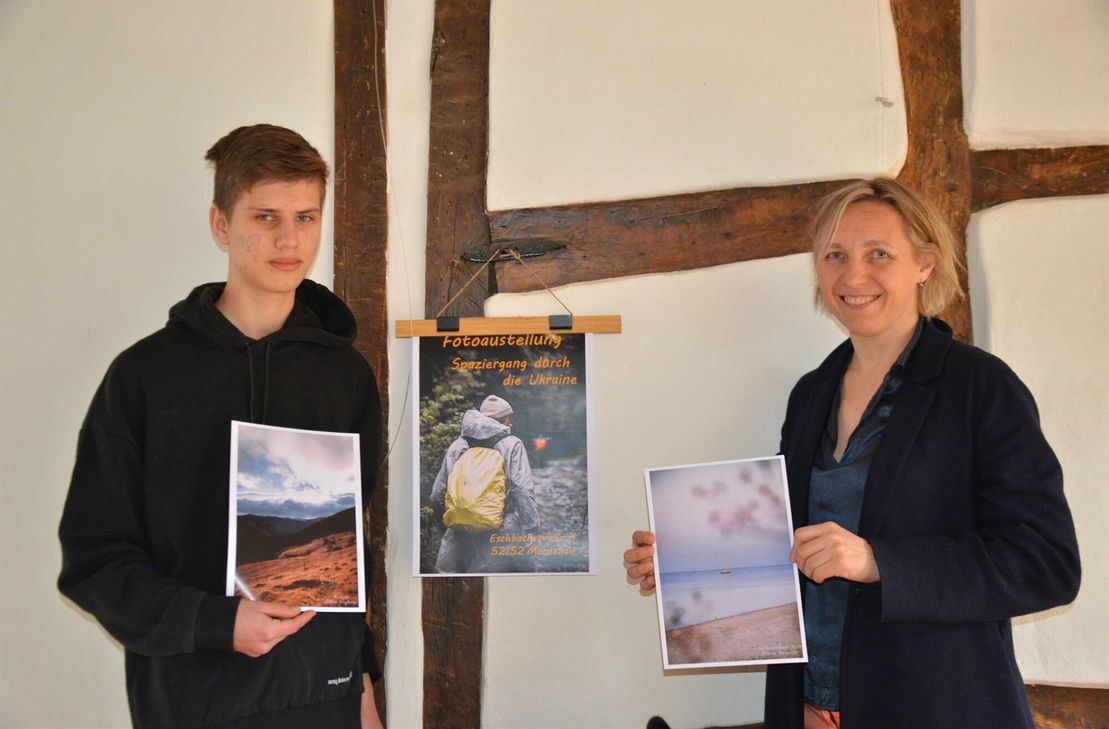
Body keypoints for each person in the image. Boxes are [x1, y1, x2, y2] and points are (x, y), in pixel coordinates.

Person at [624, 178, 1080, 729]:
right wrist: (685, 560)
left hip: (935, 708)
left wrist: (878, 562)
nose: (853, 276)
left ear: (925, 264)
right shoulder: (811, 393)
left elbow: (1046, 565)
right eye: (835, 255)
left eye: (878, 254)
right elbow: (786, 543)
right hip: (811, 707)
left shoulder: (981, 387)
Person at [57, 124, 385, 729]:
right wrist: (214, 623)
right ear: (220, 224)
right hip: (192, 701)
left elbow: (349, 551)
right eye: (265, 217)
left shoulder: (346, 376)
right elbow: (94, 561)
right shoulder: (144, 377)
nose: (290, 239)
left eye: (307, 217)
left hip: (325, 700)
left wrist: (363, 698)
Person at [430, 394, 541, 572]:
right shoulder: (512, 444)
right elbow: (522, 489)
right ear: (502, 420)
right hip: (501, 531)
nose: (510, 423)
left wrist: (449, 522)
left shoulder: (459, 445)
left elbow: (437, 492)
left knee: (456, 589)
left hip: (458, 532)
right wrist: (532, 529)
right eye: (508, 419)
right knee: (512, 586)